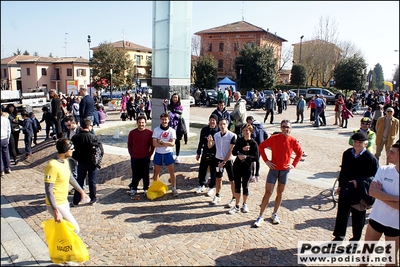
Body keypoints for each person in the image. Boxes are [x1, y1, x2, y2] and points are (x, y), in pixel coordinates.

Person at [254, 120, 303, 227]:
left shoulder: (293, 140)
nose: (286, 129)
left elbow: (300, 153)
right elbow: (261, 147)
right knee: (268, 193)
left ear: (291, 129)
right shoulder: (274, 138)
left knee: (280, 193)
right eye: (284, 127)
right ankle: (260, 216)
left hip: (285, 171)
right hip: (274, 170)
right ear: (281, 128)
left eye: (288, 127)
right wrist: (266, 161)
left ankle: (274, 213)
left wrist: (294, 164)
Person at [332, 132, 379, 241]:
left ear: (366, 144)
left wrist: (358, 182)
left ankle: (355, 239)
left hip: (359, 192)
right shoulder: (347, 153)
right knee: (342, 213)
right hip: (346, 189)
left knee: (358, 217)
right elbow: (343, 170)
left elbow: (374, 177)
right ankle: (339, 236)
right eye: (355, 141)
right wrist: (340, 185)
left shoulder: (370, 158)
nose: (357, 144)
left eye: (360, 142)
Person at [363, 140, 399, 266]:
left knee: (390, 260)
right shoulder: (384, 169)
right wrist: (396, 198)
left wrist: (381, 194)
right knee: (365, 256)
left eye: (392, 152)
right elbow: (372, 191)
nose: (388, 154)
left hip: (395, 225)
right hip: (376, 219)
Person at [44, 138, 88, 235]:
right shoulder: (52, 166)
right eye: (71, 149)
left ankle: (64, 247)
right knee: (75, 229)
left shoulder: (65, 161)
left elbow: (70, 178)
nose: (73, 150)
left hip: (64, 201)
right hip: (56, 203)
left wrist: (81, 192)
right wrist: (55, 211)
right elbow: (48, 190)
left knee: (65, 227)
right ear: (65, 151)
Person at [229, 124, 259, 214]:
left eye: (247, 131)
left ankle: (245, 204)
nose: (245, 132)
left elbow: (256, 157)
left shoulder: (253, 143)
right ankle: (237, 205)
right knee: (237, 186)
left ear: (250, 131)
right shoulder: (240, 140)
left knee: (245, 186)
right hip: (237, 166)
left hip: (247, 167)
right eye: (244, 131)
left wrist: (246, 157)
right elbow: (234, 152)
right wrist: (241, 151)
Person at [71, 119, 102, 206]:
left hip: (81, 162)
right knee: (92, 181)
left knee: (79, 181)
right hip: (92, 162)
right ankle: (93, 198)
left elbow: (72, 149)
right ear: (88, 126)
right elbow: (100, 150)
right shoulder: (93, 137)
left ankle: (76, 200)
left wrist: (76, 157)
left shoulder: (75, 137)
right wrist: (98, 161)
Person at [207, 118, 237, 207]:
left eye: (224, 124)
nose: (222, 126)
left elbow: (231, 150)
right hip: (218, 159)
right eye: (220, 124)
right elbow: (210, 146)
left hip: (228, 160)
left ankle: (234, 198)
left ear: (227, 125)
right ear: (218, 125)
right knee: (218, 178)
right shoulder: (216, 135)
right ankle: (217, 195)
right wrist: (209, 141)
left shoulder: (232, 136)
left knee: (232, 179)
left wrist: (224, 162)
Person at [127, 115, 155, 197]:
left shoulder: (149, 133)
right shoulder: (132, 133)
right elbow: (129, 144)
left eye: (142, 122)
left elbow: (152, 146)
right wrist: (131, 153)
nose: (141, 124)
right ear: (137, 123)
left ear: (145, 123)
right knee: (135, 173)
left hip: (145, 157)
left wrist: (149, 155)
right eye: (139, 122)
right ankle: (134, 188)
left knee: (145, 174)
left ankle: (146, 189)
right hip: (134, 157)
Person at [152, 112, 178, 196]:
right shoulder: (156, 130)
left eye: (165, 120)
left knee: (171, 171)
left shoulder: (172, 131)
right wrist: (167, 142)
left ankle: (174, 188)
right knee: (156, 172)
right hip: (158, 153)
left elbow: (172, 144)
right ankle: (155, 187)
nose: (164, 121)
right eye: (163, 119)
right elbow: (154, 143)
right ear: (160, 120)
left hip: (168, 153)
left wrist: (161, 142)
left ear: (168, 120)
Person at [195, 114, 219, 195]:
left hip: (214, 154)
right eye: (211, 120)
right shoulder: (204, 130)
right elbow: (200, 142)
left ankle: (211, 187)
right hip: (205, 152)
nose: (212, 122)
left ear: (216, 122)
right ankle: (201, 184)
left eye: (214, 120)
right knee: (202, 169)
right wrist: (198, 152)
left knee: (213, 171)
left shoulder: (218, 131)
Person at [246, 116, 268, 182]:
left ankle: (252, 175)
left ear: (249, 120)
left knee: (252, 160)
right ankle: (257, 175)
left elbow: (253, 136)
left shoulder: (253, 127)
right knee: (257, 160)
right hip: (261, 145)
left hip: (254, 146)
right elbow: (266, 135)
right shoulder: (261, 126)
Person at [163, 93, 184, 164]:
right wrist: (165, 105)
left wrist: (173, 112)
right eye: (174, 97)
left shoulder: (180, 107)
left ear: (178, 99)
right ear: (171, 98)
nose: (175, 99)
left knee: (177, 142)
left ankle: (177, 156)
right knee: (169, 141)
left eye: (176, 97)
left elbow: (180, 116)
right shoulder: (169, 106)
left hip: (177, 127)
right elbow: (166, 114)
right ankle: (169, 156)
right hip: (170, 127)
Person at [1, 111, 12, 176]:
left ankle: (1, 170)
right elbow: (9, 130)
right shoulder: (6, 119)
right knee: (6, 154)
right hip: (5, 138)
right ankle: (8, 168)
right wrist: (8, 138)